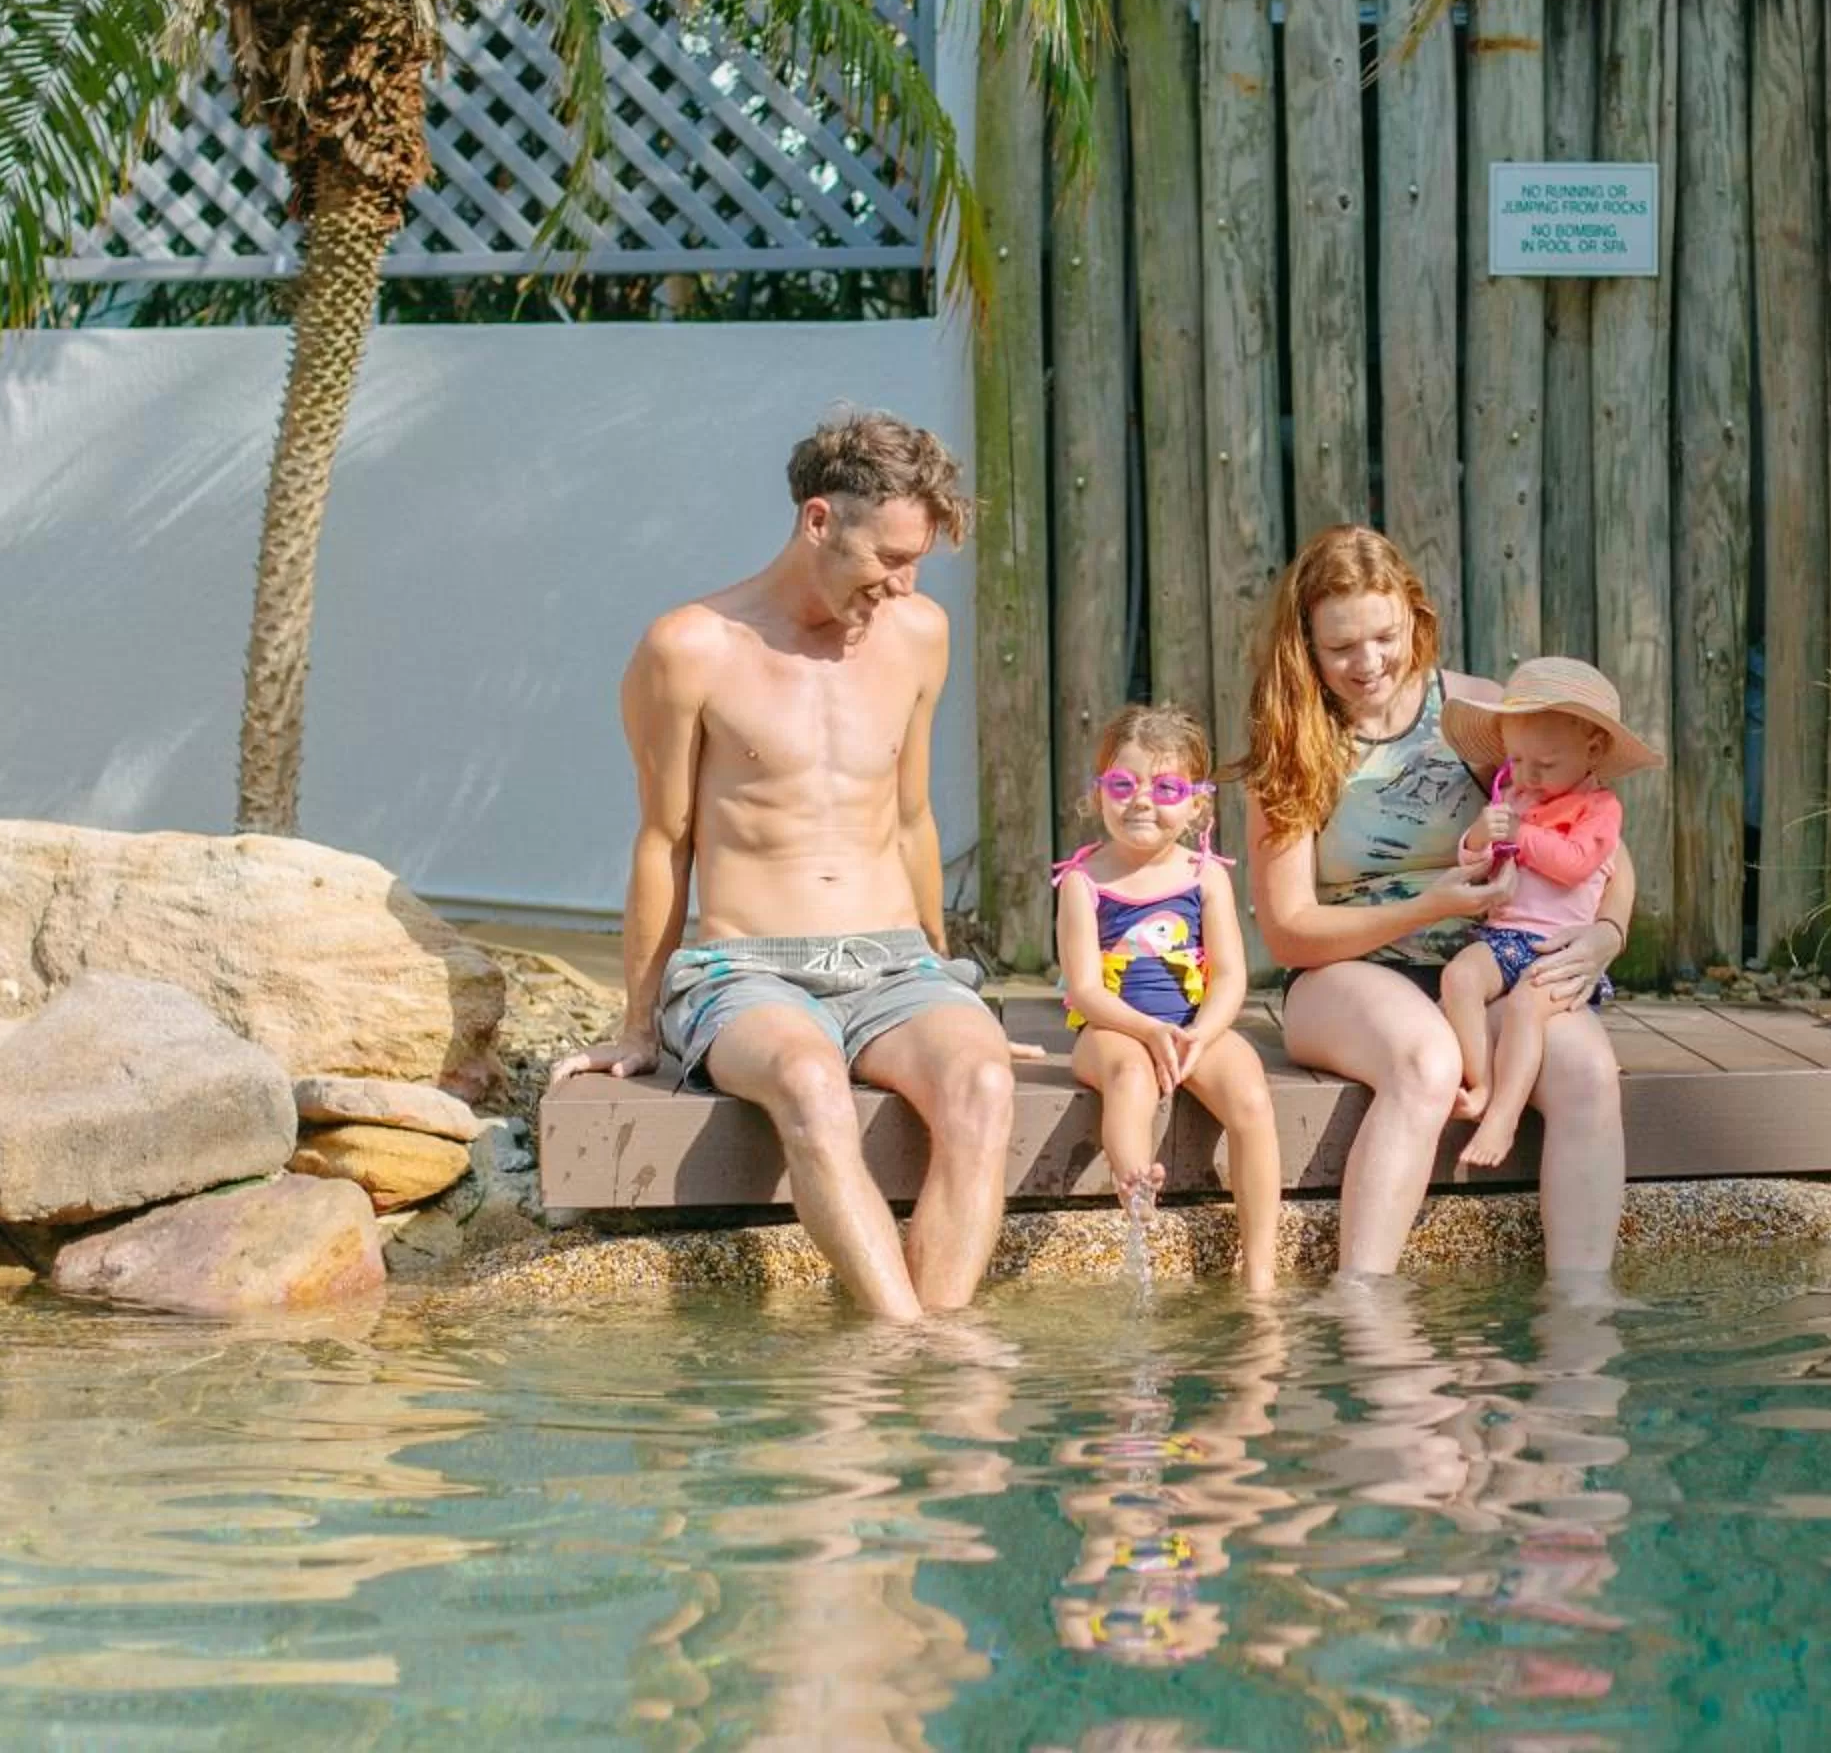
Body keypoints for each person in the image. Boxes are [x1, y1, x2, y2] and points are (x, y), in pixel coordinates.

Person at [547, 406, 1016, 1321]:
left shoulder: (918, 633)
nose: (904, 584)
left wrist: (947, 980)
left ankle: (938, 1344)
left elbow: (911, 817)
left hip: (896, 966)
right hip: (748, 972)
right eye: (888, 558)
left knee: (984, 1082)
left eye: (918, 562)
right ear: (819, 520)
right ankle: (904, 1339)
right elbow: (664, 841)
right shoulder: (690, 648)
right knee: (809, 1082)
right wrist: (639, 1025)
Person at [1239, 526, 1635, 1277]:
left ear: (1415, 619)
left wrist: (1607, 934)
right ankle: (1367, 1309)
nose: (1368, 663)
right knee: (1426, 1061)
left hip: (1489, 962)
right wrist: (1431, 904)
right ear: (1306, 647)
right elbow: (1289, 932)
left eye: (1385, 637)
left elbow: (1609, 852)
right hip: (1344, 973)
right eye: (1341, 647)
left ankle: (1581, 1320)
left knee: (1586, 1069)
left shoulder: (1476, 713)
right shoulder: (1292, 742)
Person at [1053, 704, 1282, 1293]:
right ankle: (1136, 1182)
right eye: (1123, 785)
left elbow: (1229, 976)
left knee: (1251, 1098)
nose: (1141, 801)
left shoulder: (1204, 876)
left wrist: (1201, 1034)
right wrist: (1148, 1031)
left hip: (1191, 1026)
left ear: (1197, 804)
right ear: (1098, 793)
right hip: (1110, 1029)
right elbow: (1084, 990)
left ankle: (1260, 1274)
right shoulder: (1084, 882)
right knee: (1131, 1075)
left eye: (1166, 788)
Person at [1437, 658, 1658, 1171]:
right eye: (1516, 760)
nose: (1528, 776)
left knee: (1524, 1008)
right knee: (1459, 979)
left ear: (1593, 751)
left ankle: (1504, 1115)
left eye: (1545, 764)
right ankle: (1482, 1082)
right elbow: (1476, 862)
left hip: (1559, 950)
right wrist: (1478, 838)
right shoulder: (1513, 794)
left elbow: (1574, 864)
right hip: (1503, 937)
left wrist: (1522, 835)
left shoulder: (1599, 810)